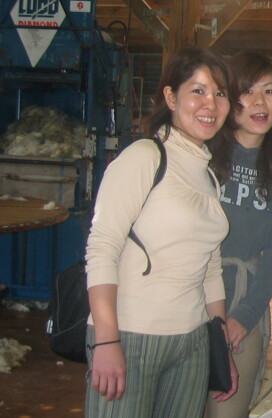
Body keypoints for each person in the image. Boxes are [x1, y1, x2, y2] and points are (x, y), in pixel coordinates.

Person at [84, 46, 238, 416]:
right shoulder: (144, 157)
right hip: (132, 336)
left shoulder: (207, 175)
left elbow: (210, 268)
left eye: (220, 94)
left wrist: (221, 352)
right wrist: (106, 341)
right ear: (170, 96)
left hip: (192, 342)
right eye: (197, 90)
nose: (211, 104)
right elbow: (102, 246)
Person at [205, 53, 272, 417]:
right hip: (186, 308)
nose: (259, 102)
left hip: (244, 308)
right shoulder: (203, 157)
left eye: (268, 91)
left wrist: (244, 316)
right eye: (248, 91)